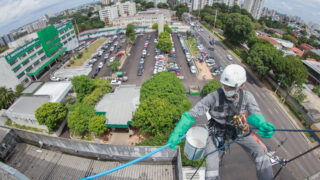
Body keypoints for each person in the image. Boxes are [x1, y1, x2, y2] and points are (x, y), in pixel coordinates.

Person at [168, 64, 275, 180]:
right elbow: (191, 115)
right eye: (225, 85)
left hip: (238, 130)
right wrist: (177, 132)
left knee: (261, 153)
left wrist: (261, 123)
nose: (226, 89)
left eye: (230, 87)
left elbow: (254, 113)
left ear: (242, 85)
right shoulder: (213, 97)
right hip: (215, 132)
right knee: (211, 169)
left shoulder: (247, 97)